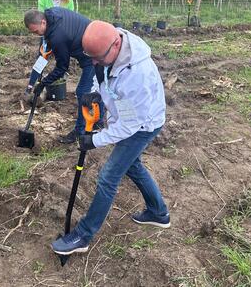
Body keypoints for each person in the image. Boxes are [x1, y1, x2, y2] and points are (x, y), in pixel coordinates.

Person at [51, 20, 170, 255]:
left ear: (116, 45)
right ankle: (158, 212)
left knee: (108, 177)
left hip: (143, 126)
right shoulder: (107, 51)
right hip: (128, 119)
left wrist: (94, 140)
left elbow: (129, 126)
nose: (93, 61)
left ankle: (83, 235)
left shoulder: (138, 75)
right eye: (90, 57)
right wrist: (96, 92)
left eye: (97, 57)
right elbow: (101, 72)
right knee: (132, 166)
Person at [23, 8, 103, 144]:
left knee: (82, 92)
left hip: (94, 54)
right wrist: (33, 83)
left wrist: (43, 84)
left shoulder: (58, 36)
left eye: (36, 31)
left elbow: (62, 68)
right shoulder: (52, 15)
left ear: (43, 22)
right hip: (90, 44)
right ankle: (99, 121)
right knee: (96, 87)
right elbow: (43, 55)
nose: (36, 35)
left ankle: (80, 131)